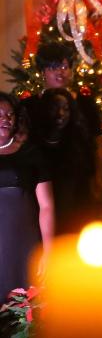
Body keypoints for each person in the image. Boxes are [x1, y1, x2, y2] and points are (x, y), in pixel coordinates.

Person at [0, 93, 54, 297]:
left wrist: (48, 252)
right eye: (0, 115)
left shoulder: (30, 153)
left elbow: (47, 206)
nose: (6, 119)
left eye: (10, 115)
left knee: (21, 306)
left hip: (23, 242)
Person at [35, 88, 99, 234]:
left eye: (66, 109)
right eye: (54, 108)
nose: (60, 114)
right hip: (42, 221)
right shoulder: (34, 144)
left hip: (74, 218)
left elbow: (85, 187)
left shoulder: (79, 143)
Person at [23, 42, 101, 141]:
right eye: (53, 68)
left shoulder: (86, 103)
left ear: (71, 71)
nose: (60, 72)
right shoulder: (28, 105)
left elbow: (97, 140)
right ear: (42, 72)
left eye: (64, 67)